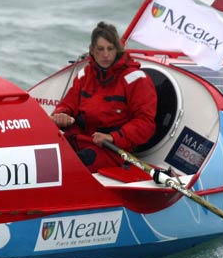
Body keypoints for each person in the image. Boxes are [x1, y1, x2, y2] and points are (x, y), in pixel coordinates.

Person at [52, 22, 157, 172]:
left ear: (117, 50)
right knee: (48, 155)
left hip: (113, 149)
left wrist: (113, 137)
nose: (106, 55)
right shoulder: (85, 75)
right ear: (92, 51)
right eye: (100, 49)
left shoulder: (136, 80)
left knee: (72, 167)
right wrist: (60, 115)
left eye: (110, 49)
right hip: (80, 140)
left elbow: (145, 123)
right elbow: (68, 104)